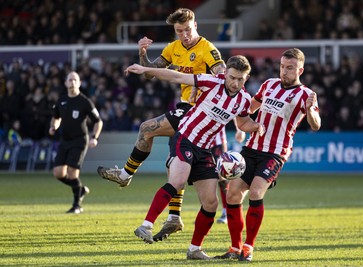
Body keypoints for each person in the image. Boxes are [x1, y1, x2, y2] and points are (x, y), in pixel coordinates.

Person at [97, 8, 243, 240]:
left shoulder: (208, 49)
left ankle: (126, 174)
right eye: (179, 31)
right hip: (186, 108)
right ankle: (174, 216)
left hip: (198, 111)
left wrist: (204, 85)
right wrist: (143, 53)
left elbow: (223, 77)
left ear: (195, 25)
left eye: (187, 29)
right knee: (173, 163)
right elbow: (151, 72)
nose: (184, 35)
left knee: (147, 128)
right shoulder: (172, 48)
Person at [125, 55, 264, 260]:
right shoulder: (211, 82)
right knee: (178, 180)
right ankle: (146, 226)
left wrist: (256, 127)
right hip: (185, 138)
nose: (235, 83)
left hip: (206, 150)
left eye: (241, 79)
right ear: (225, 74)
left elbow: (243, 122)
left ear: (247, 78)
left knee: (211, 203)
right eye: (232, 77)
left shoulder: (244, 99)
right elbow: (175, 77)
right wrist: (147, 70)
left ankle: (194, 249)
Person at [215, 48, 321, 261]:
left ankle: (248, 247)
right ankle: (235, 248)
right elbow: (249, 109)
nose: (284, 71)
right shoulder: (269, 85)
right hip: (251, 148)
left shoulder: (306, 95)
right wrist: (241, 124)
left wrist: (310, 110)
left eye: (290, 68)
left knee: (255, 192)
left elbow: (316, 125)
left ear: (300, 69)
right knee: (233, 193)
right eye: (282, 66)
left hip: (275, 153)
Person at [49, 71, 103, 214]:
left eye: (75, 80)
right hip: (65, 140)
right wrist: (53, 126)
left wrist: (94, 137)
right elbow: (56, 117)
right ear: (66, 83)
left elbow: (98, 121)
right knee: (58, 173)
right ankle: (80, 189)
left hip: (80, 140)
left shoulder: (85, 102)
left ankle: (77, 205)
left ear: (79, 83)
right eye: (70, 79)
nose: (72, 82)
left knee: (73, 173)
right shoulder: (61, 101)